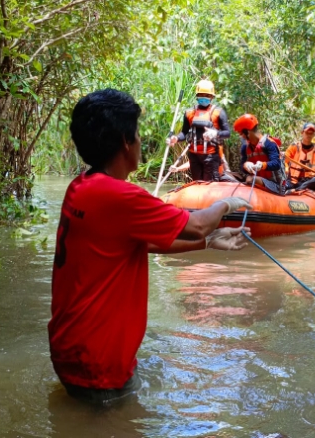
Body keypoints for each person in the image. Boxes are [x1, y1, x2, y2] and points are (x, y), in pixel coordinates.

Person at [49, 89, 253, 406]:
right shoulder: (122, 197)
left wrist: (208, 242)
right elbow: (198, 222)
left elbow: (136, 245)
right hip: (98, 364)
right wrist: (225, 204)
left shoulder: (82, 186)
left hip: (73, 351)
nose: (141, 140)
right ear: (124, 142)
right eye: (138, 134)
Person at [167, 80, 230, 182]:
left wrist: (215, 133)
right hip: (194, 156)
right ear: (197, 96)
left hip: (211, 156)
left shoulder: (218, 112)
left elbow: (227, 133)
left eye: (207, 95)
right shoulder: (189, 113)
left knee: (209, 184)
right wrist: (176, 138)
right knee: (197, 183)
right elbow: (184, 133)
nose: (204, 97)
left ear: (212, 97)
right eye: (201, 94)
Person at [234, 113, 285, 194]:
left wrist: (262, 165)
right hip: (260, 181)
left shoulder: (269, 143)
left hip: (276, 185)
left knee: (251, 179)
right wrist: (246, 165)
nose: (241, 137)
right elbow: (242, 167)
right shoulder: (245, 148)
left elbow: (276, 163)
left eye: (241, 134)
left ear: (248, 132)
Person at [284, 122, 315, 192]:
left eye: (311, 133)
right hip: (293, 181)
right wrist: (286, 169)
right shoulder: (294, 147)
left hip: (308, 181)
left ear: (314, 135)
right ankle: (296, 189)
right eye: (307, 132)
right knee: (283, 186)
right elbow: (284, 161)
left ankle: (297, 189)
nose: (309, 135)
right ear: (302, 133)